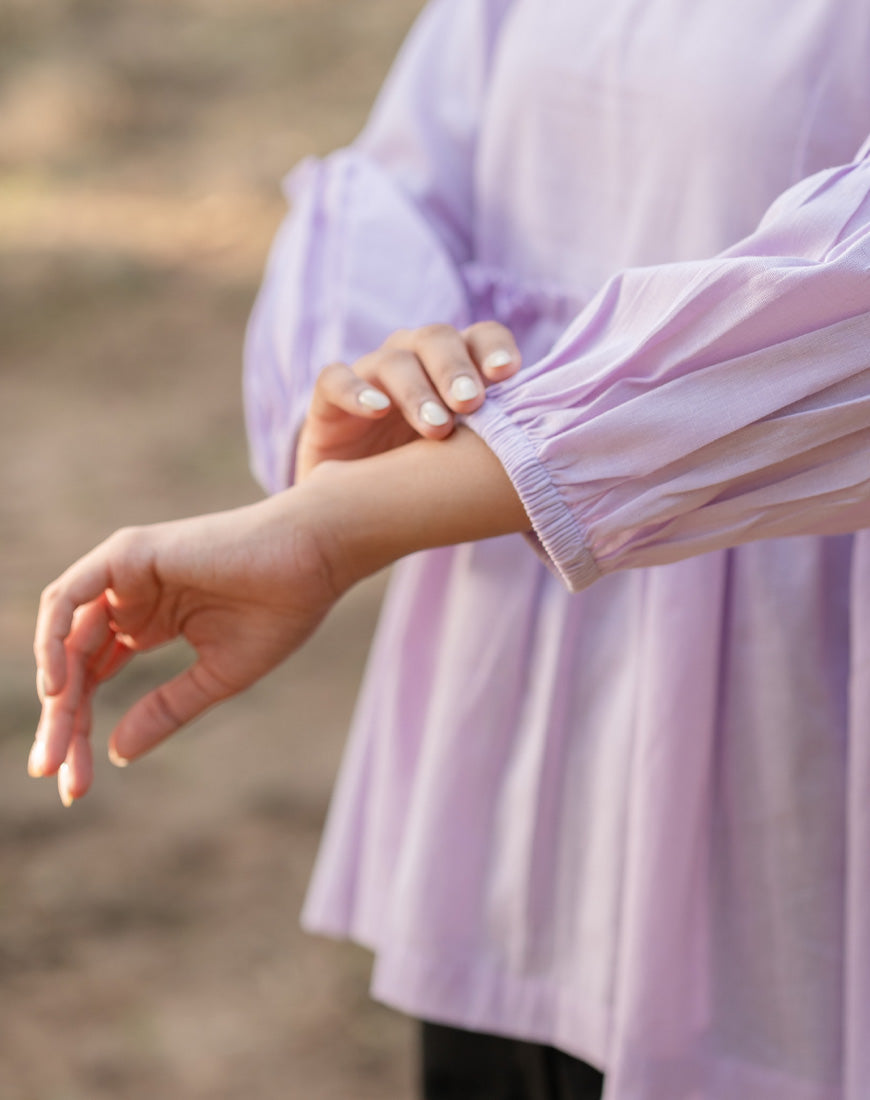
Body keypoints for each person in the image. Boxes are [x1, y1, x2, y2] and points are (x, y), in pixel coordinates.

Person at [29, 1, 870, 1097]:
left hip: (790, 731)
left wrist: (335, 527)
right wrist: (371, 382)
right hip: (507, 729)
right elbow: (400, 188)